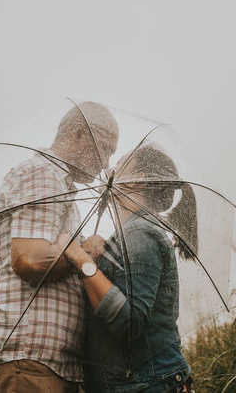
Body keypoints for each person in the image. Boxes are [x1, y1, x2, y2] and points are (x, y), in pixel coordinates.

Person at [0, 101, 119, 393]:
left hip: (42, 364)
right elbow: (30, 260)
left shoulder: (59, 185)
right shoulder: (44, 174)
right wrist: (85, 252)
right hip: (26, 361)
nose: (105, 164)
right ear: (78, 133)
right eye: (104, 149)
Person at [63, 143, 198, 393]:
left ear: (139, 181)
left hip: (148, 385)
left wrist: (81, 261)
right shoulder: (131, 234)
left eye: (122, 163)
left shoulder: (140, 234)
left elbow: (129, 322)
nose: (111, 168)